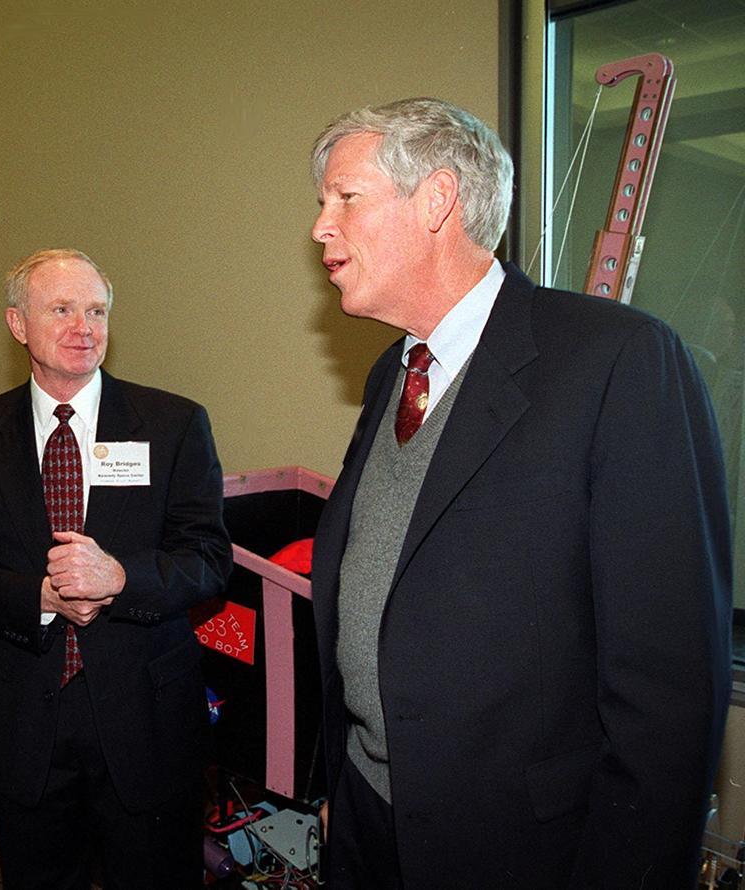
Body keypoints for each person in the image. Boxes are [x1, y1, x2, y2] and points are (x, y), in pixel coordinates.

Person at [306, 98, 733, 889]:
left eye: (346, 198)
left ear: (436, 200)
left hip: (524, 849)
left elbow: (667, 690)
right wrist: (346, 789)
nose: (321, 228)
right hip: (370, 820)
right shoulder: (391, 374)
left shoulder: (617, 362)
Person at [0, 248, 232, 889]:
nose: (83, 327)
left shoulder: (173, 425)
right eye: (61, 309)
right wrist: (38, 596)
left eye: (96, 310)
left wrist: (119, 577)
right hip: (30, 716)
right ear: (18, 324)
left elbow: (208, 560)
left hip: (147, 716)